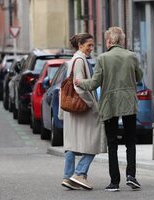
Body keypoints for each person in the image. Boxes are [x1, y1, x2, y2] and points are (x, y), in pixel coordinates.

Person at [74, 27, 143, 192]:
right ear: (121, 40)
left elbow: (94, 83)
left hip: (110, 103)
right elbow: (139, 78)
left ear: (110, 41)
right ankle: (131, 176)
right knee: (130, 141)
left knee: (112, 143)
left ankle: (114, 182)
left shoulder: (103, 58)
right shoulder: (131, 56)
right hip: (128, 103)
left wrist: (80, 82)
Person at [60, 33, 102, 190]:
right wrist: (92, 105)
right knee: (94, 141)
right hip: (82, 108)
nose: (91, 48)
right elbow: (79, 87)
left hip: (73, 109)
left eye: (92, 45)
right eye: (89, 45)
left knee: (72, 143)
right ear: (80, 46)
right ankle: (79, 173)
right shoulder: (79, 61)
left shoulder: (75, 59)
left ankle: (68, 176)